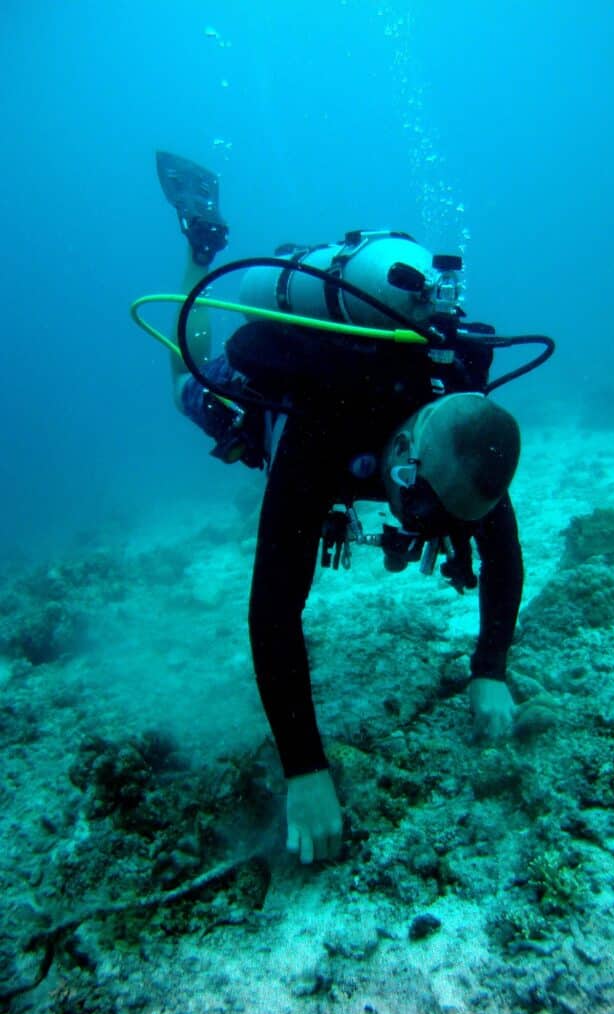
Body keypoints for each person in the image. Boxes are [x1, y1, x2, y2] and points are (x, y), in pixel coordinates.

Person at [157, 153, 525, 865]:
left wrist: (490, 668)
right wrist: (304, 770)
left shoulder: (465, 433)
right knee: (183, 384)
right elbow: (272, 611)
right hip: (289, 410)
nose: (413, 521)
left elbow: (504, 556)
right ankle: (201, 249)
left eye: (434, 518)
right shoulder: (321, 433)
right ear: (407, 453)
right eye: (414, 502)